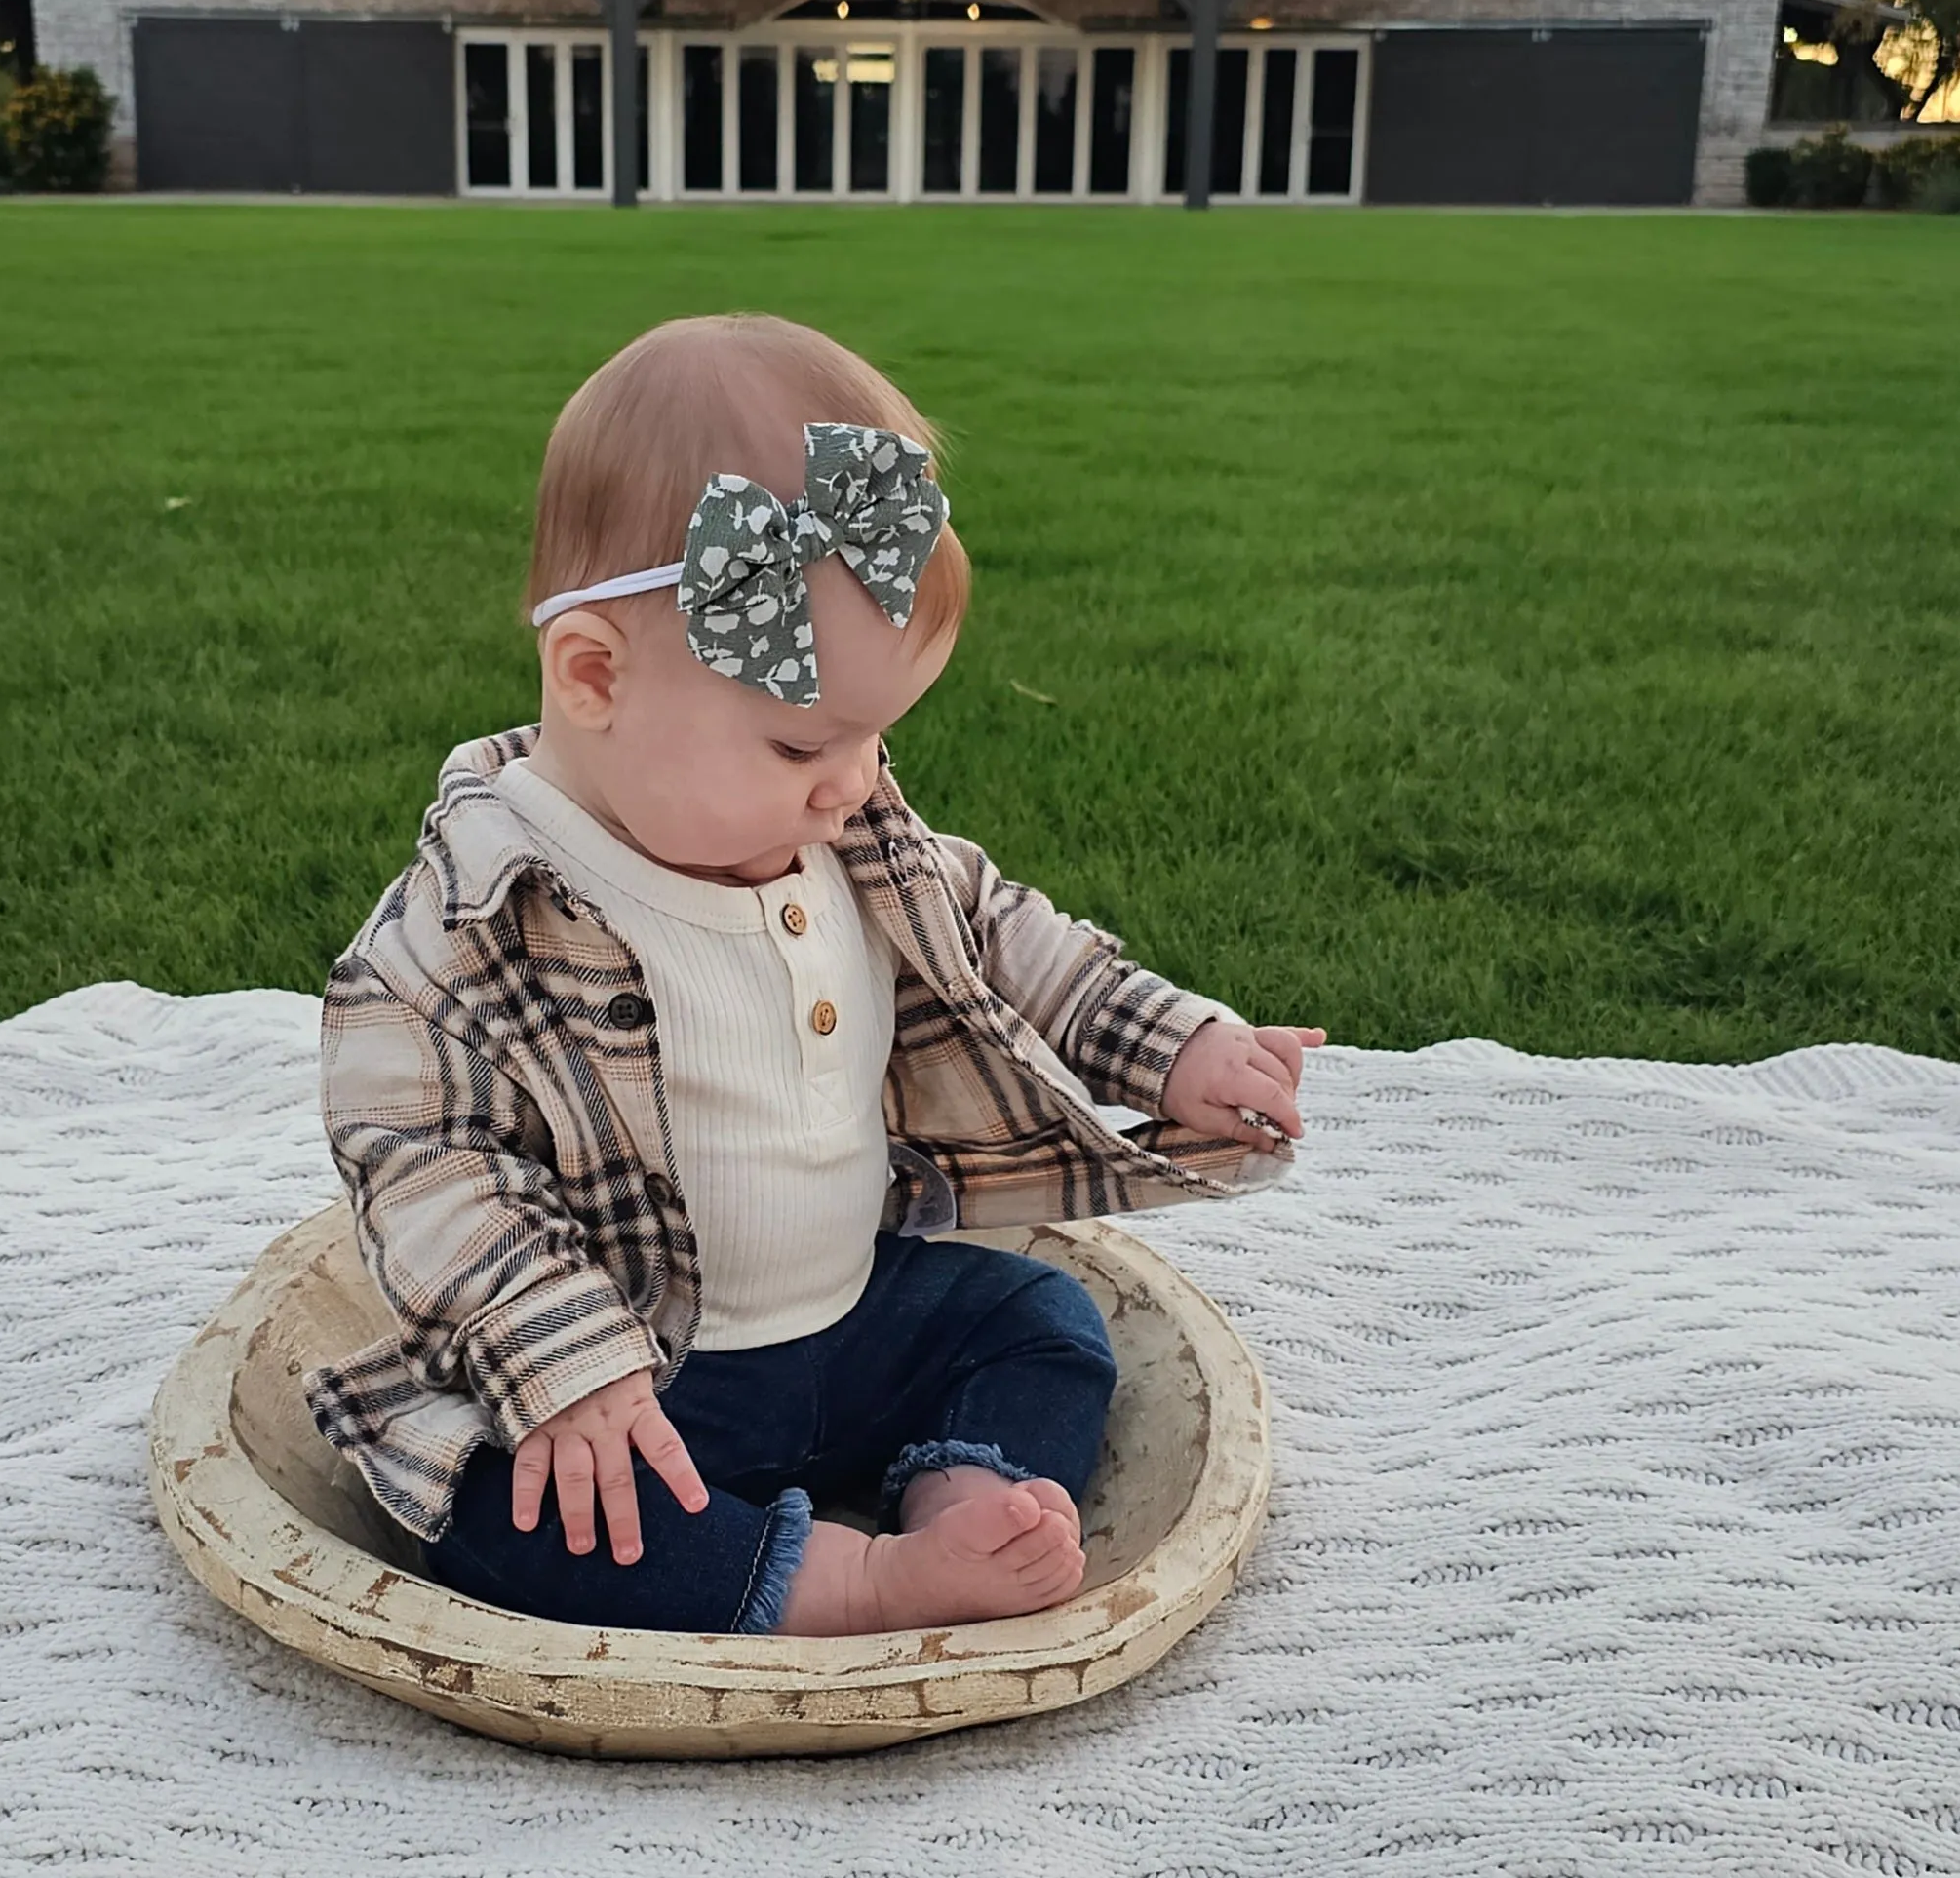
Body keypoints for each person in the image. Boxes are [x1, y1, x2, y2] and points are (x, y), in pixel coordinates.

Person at [304, 313, 1319, 1638]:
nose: (852, 783)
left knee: (1042, 1322)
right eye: (800, 747)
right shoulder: (467, 923)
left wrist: (1178, 1046)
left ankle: (959, 1492)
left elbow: (1014, 944)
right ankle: (825, 1583)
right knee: (512, 1512)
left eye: (877, 735)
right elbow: (425, 1164)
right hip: (638, 1383)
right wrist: (562, 1366)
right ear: (595, 675)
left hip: (851, 1316)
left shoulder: (846, 838)